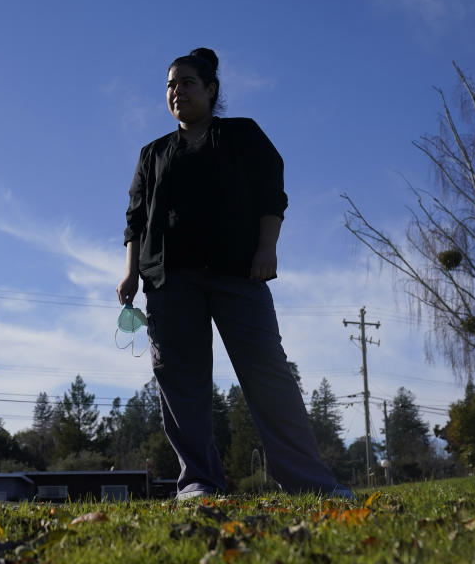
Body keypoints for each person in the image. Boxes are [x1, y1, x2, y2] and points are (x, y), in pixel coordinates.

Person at [117, 48, 353, 500]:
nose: (176, 91)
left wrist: (268, 248)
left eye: (186, 82)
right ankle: (199, 484)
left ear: (211, 90)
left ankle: (310, 482)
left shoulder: (243, 136)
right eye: (170, 84)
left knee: (268, 373)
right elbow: (135, 218)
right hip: (169, 282)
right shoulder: (153, 154)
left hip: (238, 274)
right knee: (182, 383)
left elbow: (271, 195)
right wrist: (130, 273)